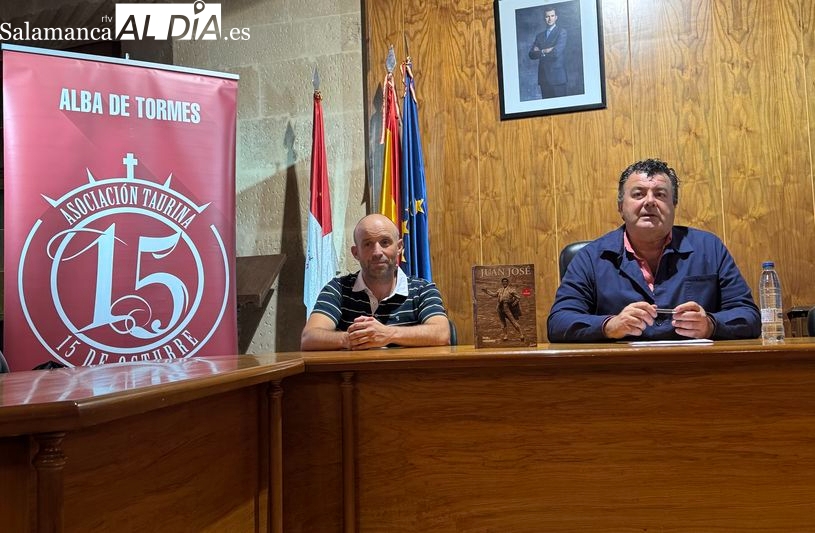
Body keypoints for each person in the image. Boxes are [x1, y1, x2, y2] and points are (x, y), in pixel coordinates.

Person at [547, 158, 760, 342]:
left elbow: (749, 316)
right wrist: (609, 326)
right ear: (621, 207)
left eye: (660, 194)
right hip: (620, 370)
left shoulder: (709, 248)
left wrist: (711, 325)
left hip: (694, 368)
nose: (650, 201)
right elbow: (558, 322)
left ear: (674, 206)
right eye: (638, 194)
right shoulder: (590, 257)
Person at [301, 214, 450, 350]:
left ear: (399, 247)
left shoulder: (423, 290)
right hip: (353, 372)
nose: (377, 252)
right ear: (356, 253)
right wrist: (352, 339)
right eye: (367, 244)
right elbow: (309, 338)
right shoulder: (338, 289)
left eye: (385, 242)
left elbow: (442, 334)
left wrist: (388, 334)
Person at [528, 6, 568, 99]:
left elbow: (556, 53)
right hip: (544, 78)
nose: (550, 19)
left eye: (552, 16)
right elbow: (531, 54)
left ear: (556, 17)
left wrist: (540, 51)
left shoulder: (561, 32)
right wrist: (545, 50)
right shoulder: (539, 36)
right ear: (544, 18)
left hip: (557, 79)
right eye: (547, 16)